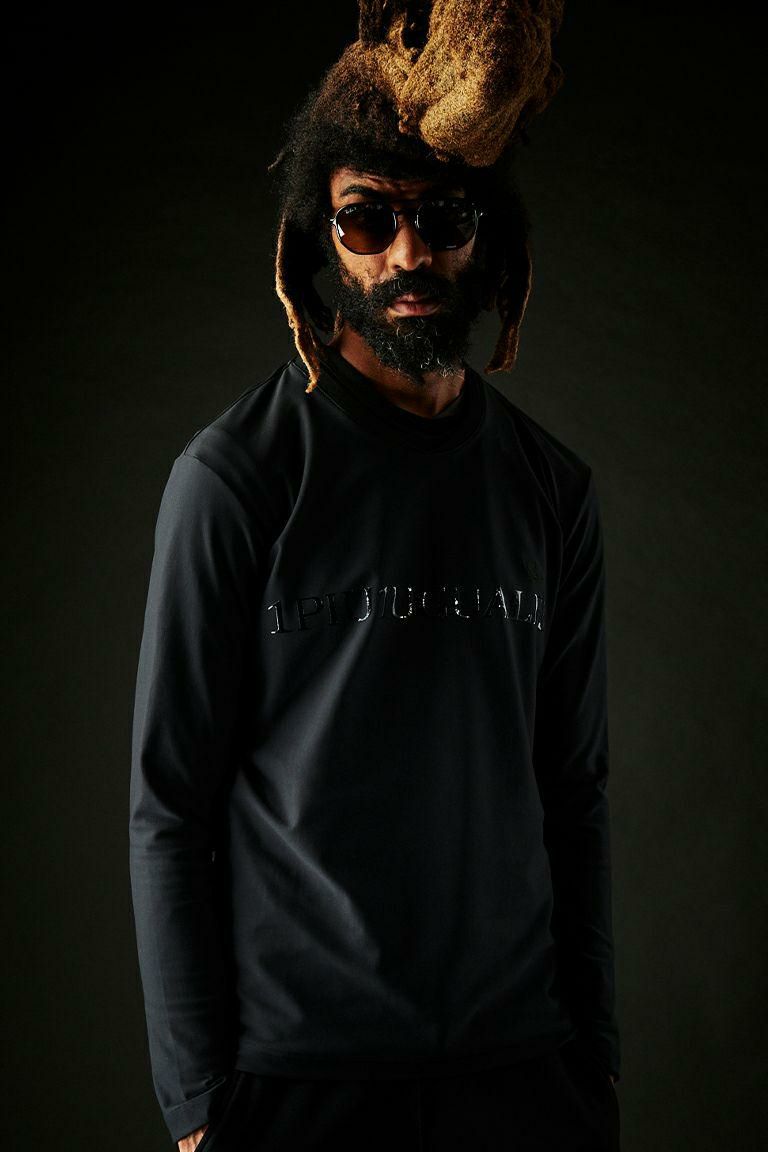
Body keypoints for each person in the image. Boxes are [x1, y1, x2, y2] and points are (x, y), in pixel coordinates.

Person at [129, 3, 621, 1149]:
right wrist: (197, 1107)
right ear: (322, 235)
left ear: (486, 235)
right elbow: (169, 806)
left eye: (442, 217)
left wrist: (594, 1069)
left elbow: (576, 791)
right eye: (367, 218)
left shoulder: (551, 491)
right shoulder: (235, 480)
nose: (407, 254)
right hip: (299, 1086)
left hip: (520, 1078)